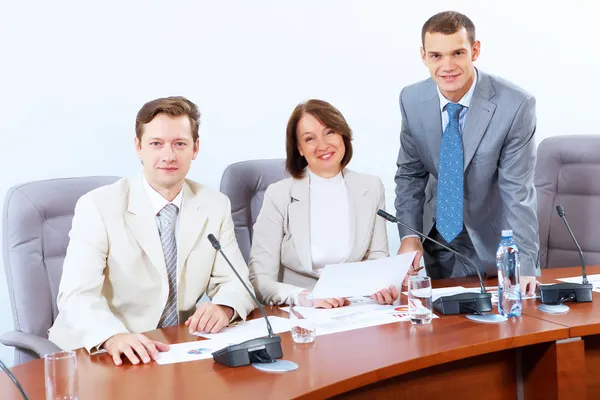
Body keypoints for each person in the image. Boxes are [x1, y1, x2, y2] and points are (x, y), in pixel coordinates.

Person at [48, 96, 255, 366]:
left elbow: (237, 282)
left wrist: (225, 307)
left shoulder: (214, 205)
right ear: (138, 147)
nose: (168, 156)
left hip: (170, 350)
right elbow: (76, 296)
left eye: (179, 144)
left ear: (195, 148)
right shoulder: (98, 206)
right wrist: (113, 336)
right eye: (156, 144)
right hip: (97, 351)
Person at [394, 11, 540, 294]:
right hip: (435, 239)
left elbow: (518, 192)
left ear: (475, 51)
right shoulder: (411, 99)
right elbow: (410, 175)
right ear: (423, 56)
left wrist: (523, 265)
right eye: (436, 55)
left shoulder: (515, 105)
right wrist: (410, 235)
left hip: (491, 242)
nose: (447, 66)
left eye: (457, 53)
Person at [249, 99, 398, 308]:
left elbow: (378, 259)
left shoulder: (371, 187)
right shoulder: (279, 194)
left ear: (342, 135)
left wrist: (383, 288)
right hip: (300, 314)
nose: (322, 145)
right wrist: (304, 297)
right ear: (299, 148)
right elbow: (260, 280)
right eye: (310, 139)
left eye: (329, 132)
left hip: (357, 308)